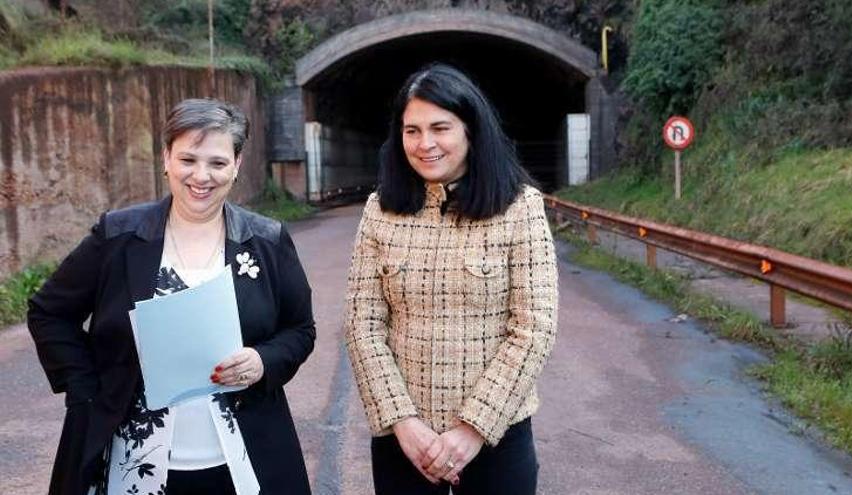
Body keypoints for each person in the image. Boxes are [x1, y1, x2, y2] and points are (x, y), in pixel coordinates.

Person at [28, 98, 315, 495]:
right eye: (188, 160)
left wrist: (262, 361)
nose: (202, 176)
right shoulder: (119, 236)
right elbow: (49, 311)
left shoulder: (266, 240)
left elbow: (300, 329)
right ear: (166, 158)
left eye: (217, 162)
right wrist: (85, 389)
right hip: (132, 458)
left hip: (242, 456)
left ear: (237, 164)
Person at [344, 63, 558, 495]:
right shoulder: (380, 210)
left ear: (470, 130)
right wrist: (403, 423)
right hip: (403, 440)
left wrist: (472, 429)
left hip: (498, 437)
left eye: (440, 128)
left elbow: (533, 328)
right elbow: (362, 325)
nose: (425, 144)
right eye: (412, 131)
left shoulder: (520, 208)